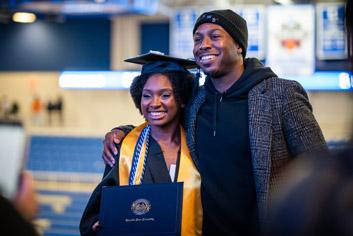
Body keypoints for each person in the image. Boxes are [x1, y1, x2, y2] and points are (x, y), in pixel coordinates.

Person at [102, 10, 328, 235]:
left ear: (239, 45)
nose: (204, 45)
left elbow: (321, 169)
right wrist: (120, 132)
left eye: (215, 36)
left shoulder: (280, 94)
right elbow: (162, 120)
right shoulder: (195, 101)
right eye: (198, 39)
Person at [80, 53, 202, 236]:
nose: (154, 103)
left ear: (182, 99)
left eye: (165, 95)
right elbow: (97, 214)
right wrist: (99, 226)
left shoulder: (199, 146)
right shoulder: (124, 149)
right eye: (147, 95)